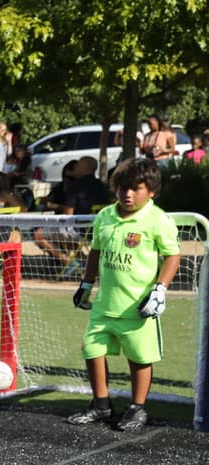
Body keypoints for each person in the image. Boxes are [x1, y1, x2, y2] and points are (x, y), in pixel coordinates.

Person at [67, 158, 180, 431]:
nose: (127, 194)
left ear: (151, 191)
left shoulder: (158, 219)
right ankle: (101, 405)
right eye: (122, 188)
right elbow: (95, 251)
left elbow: (172, 256)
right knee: (92, 349)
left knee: (139, 357)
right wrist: (86, 284)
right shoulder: (105, 216)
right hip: (105, 305)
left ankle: (137, 408)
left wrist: (160, 290)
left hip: (137, 307)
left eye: (135, 188)